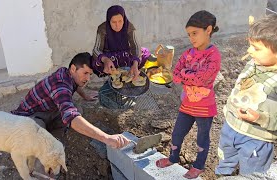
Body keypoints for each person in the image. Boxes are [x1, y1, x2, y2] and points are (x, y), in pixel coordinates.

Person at [11, 52, 130, 150]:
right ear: (73, 69)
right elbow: (70, 116)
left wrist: (85, 96)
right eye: (85, 73)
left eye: (90, 74)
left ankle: (53, 141)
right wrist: (106, 138)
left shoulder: (67, 73)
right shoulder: (60, 86)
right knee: (40, 141)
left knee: (78, 109)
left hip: (48, 110)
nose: (88, 78)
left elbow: (75, 85)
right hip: (29, 118)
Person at [155, 10, 221, 179]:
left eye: (194, 33)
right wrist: (189, 75)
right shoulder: (188, 53)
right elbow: (175, 76)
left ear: (208, 30)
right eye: (189, 34)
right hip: (187, 104)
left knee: (202, 138)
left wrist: (186, 74)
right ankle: (173, 158)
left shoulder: (214, 55)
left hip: (205, 107)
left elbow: (203, 78)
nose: (191, 38)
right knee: (177, 133)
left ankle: (198, 166)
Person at [215, 14, 277, 177]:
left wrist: (260, 118)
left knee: (251, 174)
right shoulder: (254, 63)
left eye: (256, 48)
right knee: (224, 165)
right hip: (230, 129)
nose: (249, 51)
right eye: (250, 45)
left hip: (255, 139)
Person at [92, 5, 150, 79]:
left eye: (120, 21)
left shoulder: (128, 26)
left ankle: (131, 69)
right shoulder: (102, 28)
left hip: (125, 53)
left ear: (124, 19)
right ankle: (111, 70)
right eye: (113, 22)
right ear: (109, 20)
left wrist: (135, 63)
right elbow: (96, 49)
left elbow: (135, 46)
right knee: (95, 62)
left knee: (144, 52)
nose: (117, 25)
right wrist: (105, 59)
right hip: (109, 56)